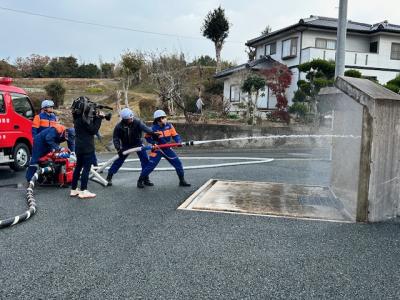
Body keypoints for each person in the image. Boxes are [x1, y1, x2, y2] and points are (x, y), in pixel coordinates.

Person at [106, 108, 160, 186]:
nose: (131, 119)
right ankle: (109, 176)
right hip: (126, 146)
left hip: (138, 144)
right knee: (119, 161)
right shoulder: (119, 127)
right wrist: (118, 148)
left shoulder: (137, 122)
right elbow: (116, 138)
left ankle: (145, 179)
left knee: (145, 160)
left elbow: (146, 129)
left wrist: (153, 133)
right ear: (124, 119)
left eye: (132, 118)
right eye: (129, 119)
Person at [139, 110, 190, 188]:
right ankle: (140, 180)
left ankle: (182, 181)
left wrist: (178, 142)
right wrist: (153, 143)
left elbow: (175, 135)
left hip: (167, 148)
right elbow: (147, 137)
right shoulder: (152, 129)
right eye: (163, 118)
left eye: (165, 117)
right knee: (150, 166)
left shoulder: (169, 126)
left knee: (178, 163)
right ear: (158, 119)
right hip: (157, 149)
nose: (165, 119)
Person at [70, 100, 104, 199]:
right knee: (86, 169)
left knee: (78, 168)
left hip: (79, 147)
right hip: (87, 147)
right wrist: (99, 119)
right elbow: (93, 130)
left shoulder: (77, 119)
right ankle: (84, 190)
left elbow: (89, 127)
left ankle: (74, 189)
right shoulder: (84, 120)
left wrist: (95, 117)